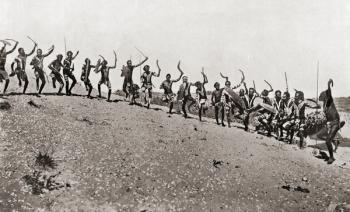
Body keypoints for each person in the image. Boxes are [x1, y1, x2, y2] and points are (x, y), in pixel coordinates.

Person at [319, 79, 345, 164]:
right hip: (330, 124)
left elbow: (329, 93)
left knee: (327, 141)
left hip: (335, 123)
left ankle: (331, 157)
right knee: (324, 136)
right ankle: (336, 140)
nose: (322, 98)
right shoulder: (324, 106)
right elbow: (326, 116)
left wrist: (328, 84)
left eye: (324, 96)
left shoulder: (330, 101)